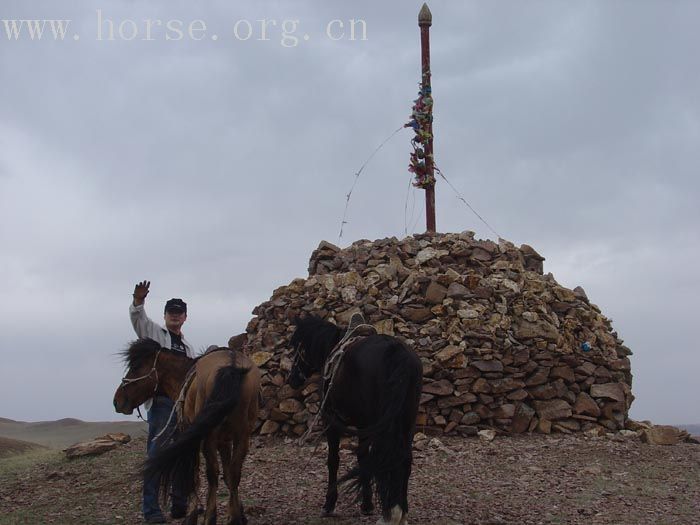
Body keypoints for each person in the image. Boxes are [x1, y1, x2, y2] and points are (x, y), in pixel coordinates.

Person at [130, 280, 194, 524]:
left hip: (183, 405)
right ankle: (151, 511)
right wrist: (138, 301)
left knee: (182, 453)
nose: (175, 317)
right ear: (165, 315)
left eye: (179, 313)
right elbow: (139, 321)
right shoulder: (156, 334)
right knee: (157, 455)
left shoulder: (187, 346)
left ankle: (179, 504)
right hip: (162, 404)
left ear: (185, 317)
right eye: (171, 313)